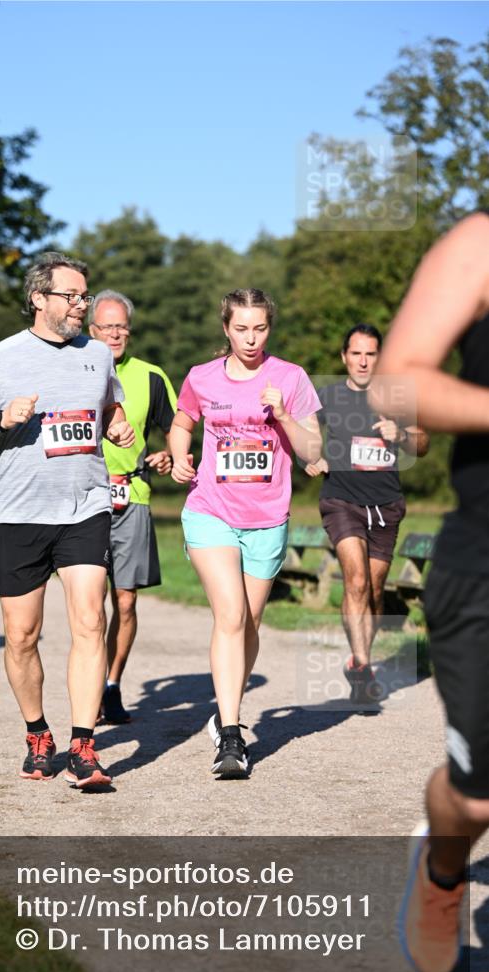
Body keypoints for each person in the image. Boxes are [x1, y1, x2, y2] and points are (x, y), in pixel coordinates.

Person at [0, 252, 135, 790]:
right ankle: (37, 733)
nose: (82, 305)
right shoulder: (0, 359)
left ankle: (83, 744)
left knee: (91, 621)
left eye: (85, 296)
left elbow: (109, 409)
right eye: (72, 297)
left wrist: (117, 428)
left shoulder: (98, 355)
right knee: (22, 635)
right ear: (39, 299)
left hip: (85, 506)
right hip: (19, 513)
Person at [368, 212, 489, 972]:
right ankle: (444, 871)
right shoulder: (479, 243)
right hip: (483, 562)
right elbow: (396, 377)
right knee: (477, 801)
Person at [170, 288, 322, 778]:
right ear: (226, 328)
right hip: (210, 509)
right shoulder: (201, 377)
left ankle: (223, 709)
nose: (250, 338)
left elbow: (312, 448)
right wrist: (178, 456)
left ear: (269, 328)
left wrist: (282, 414)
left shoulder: (291, 378)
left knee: (248, 625)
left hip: (268, 519)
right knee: (231, 615)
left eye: (259, 328)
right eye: (241, 328)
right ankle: (232, 737)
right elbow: (182, 421)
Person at [304, 324, 429, 703]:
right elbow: (300, 432)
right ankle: (363, 666)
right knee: (355, 581)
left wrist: (402, 435)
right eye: (356, 353)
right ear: (344, 357)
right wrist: (309, 457)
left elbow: (423, 443)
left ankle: (360, 662)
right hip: (342, 500)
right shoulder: (326, 396)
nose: (362, 360)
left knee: (373, 591)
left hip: (386, 503)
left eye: (370, 354)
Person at [89, 289, 177, 724]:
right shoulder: (75, 369)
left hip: (133, 497)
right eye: (106, 326)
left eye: (121, 325)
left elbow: (177, 430)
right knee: (88, 603)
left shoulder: (151, 376)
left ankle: (111, 685)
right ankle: (88, 687)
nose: (115, 333)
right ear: (91, 330)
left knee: (124, 603)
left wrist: (168, 455)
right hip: (83, 501)